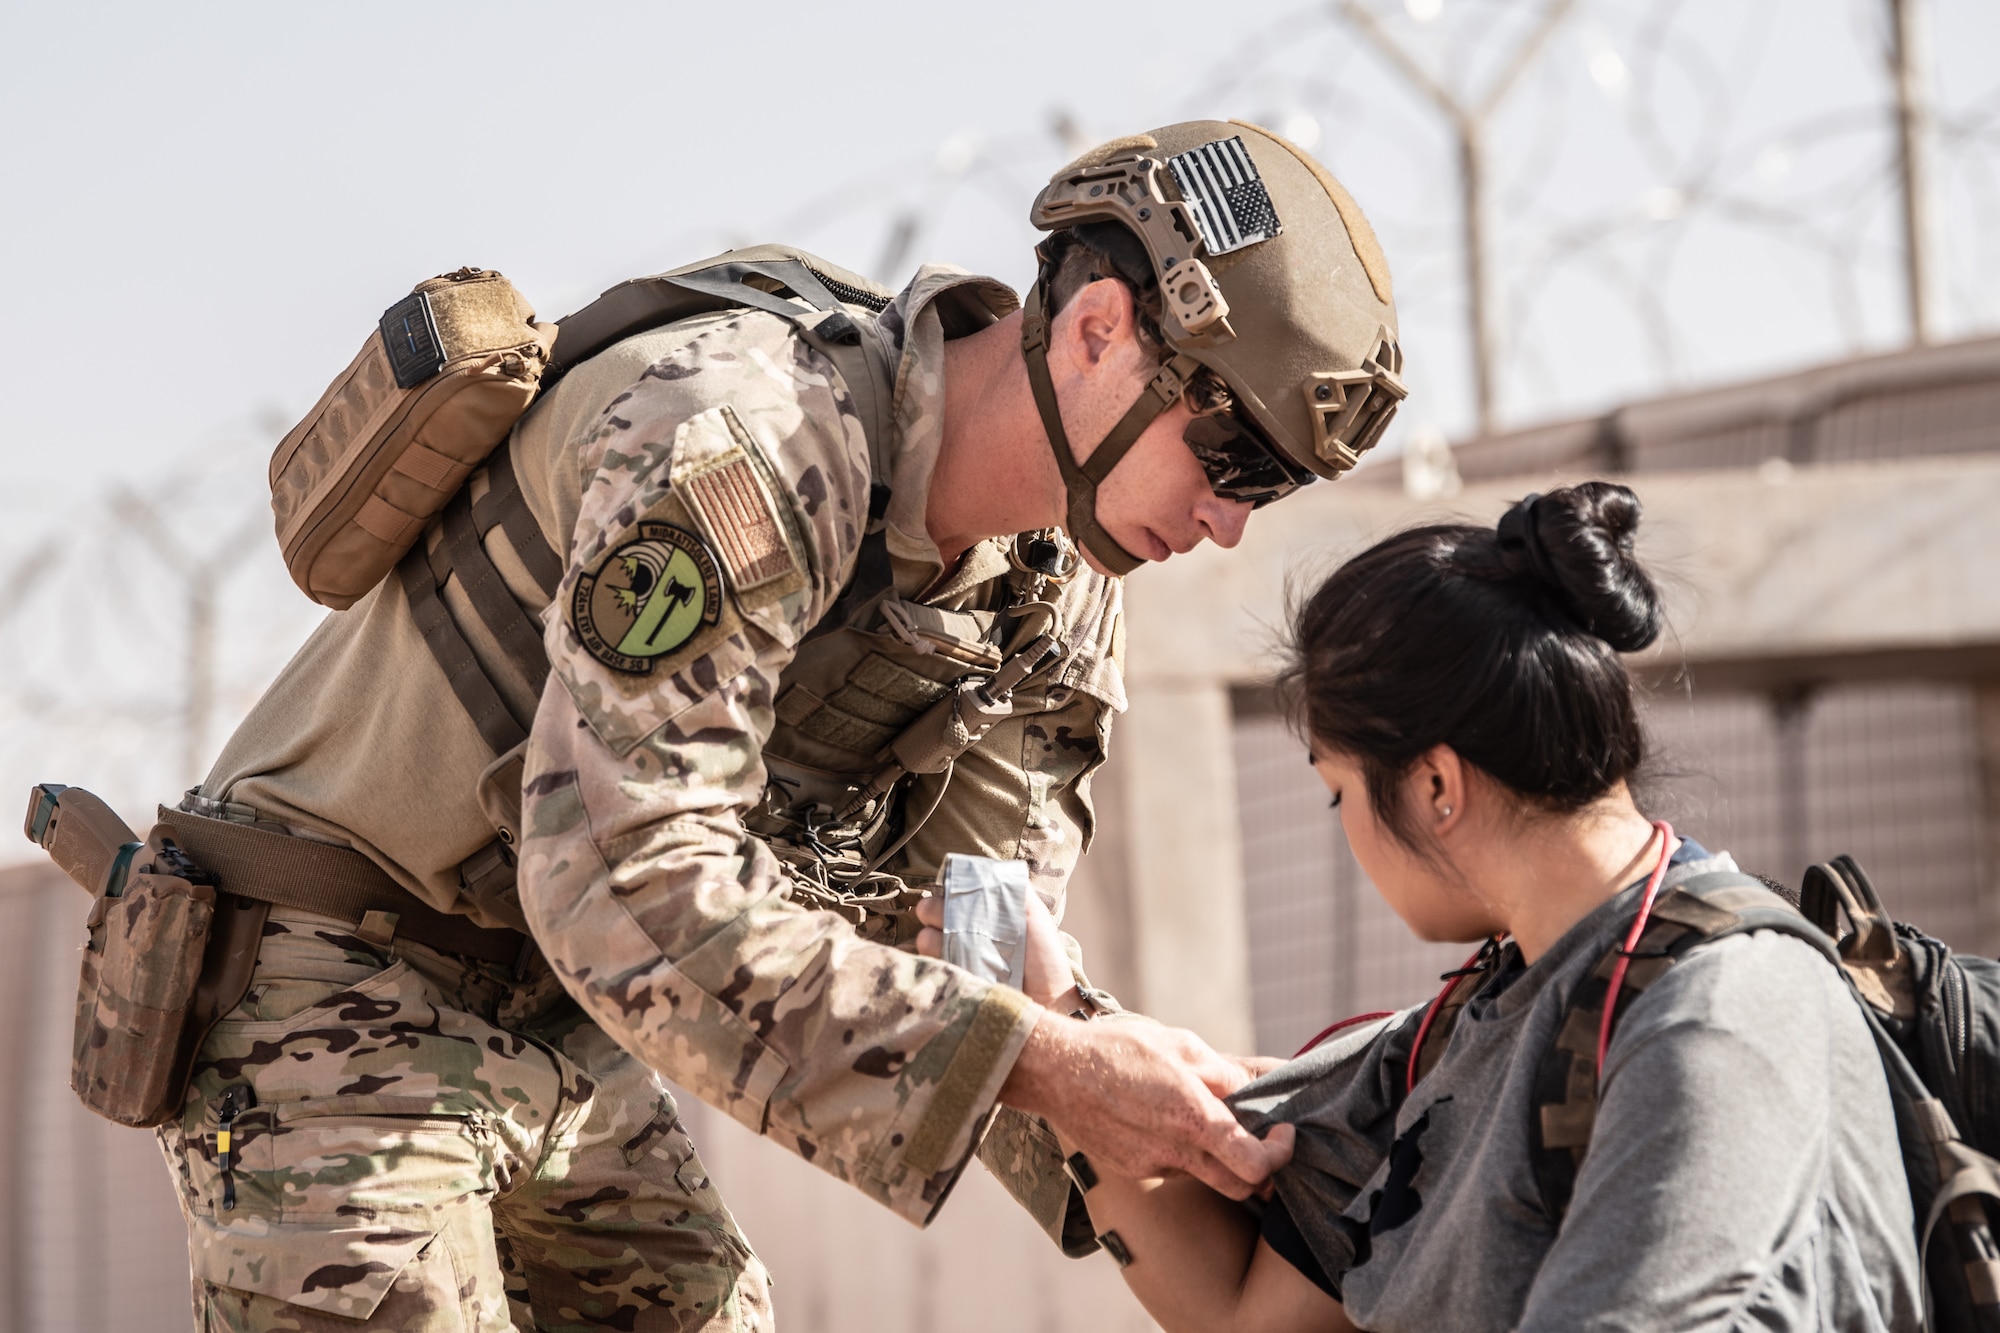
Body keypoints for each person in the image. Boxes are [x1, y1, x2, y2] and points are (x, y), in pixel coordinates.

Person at [153, 118, 1406, 1330]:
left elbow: (979, 939)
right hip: (329, 959)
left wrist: (1171, 1105)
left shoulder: (1052, 586)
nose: (1232, 522)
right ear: (1096, 332)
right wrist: (1049, 1070)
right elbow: (617, 874)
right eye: (1233, 459)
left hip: (548, 1002)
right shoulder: (746, 443)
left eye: (1274, 487)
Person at [998, 482, 1922, 1332]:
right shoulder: (1471, 1021)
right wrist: (1054, 1026)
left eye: (1339, 792)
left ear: (1437, 783)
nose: (1344, 827)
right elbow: (1250, 1314)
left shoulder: (1718, 1015)